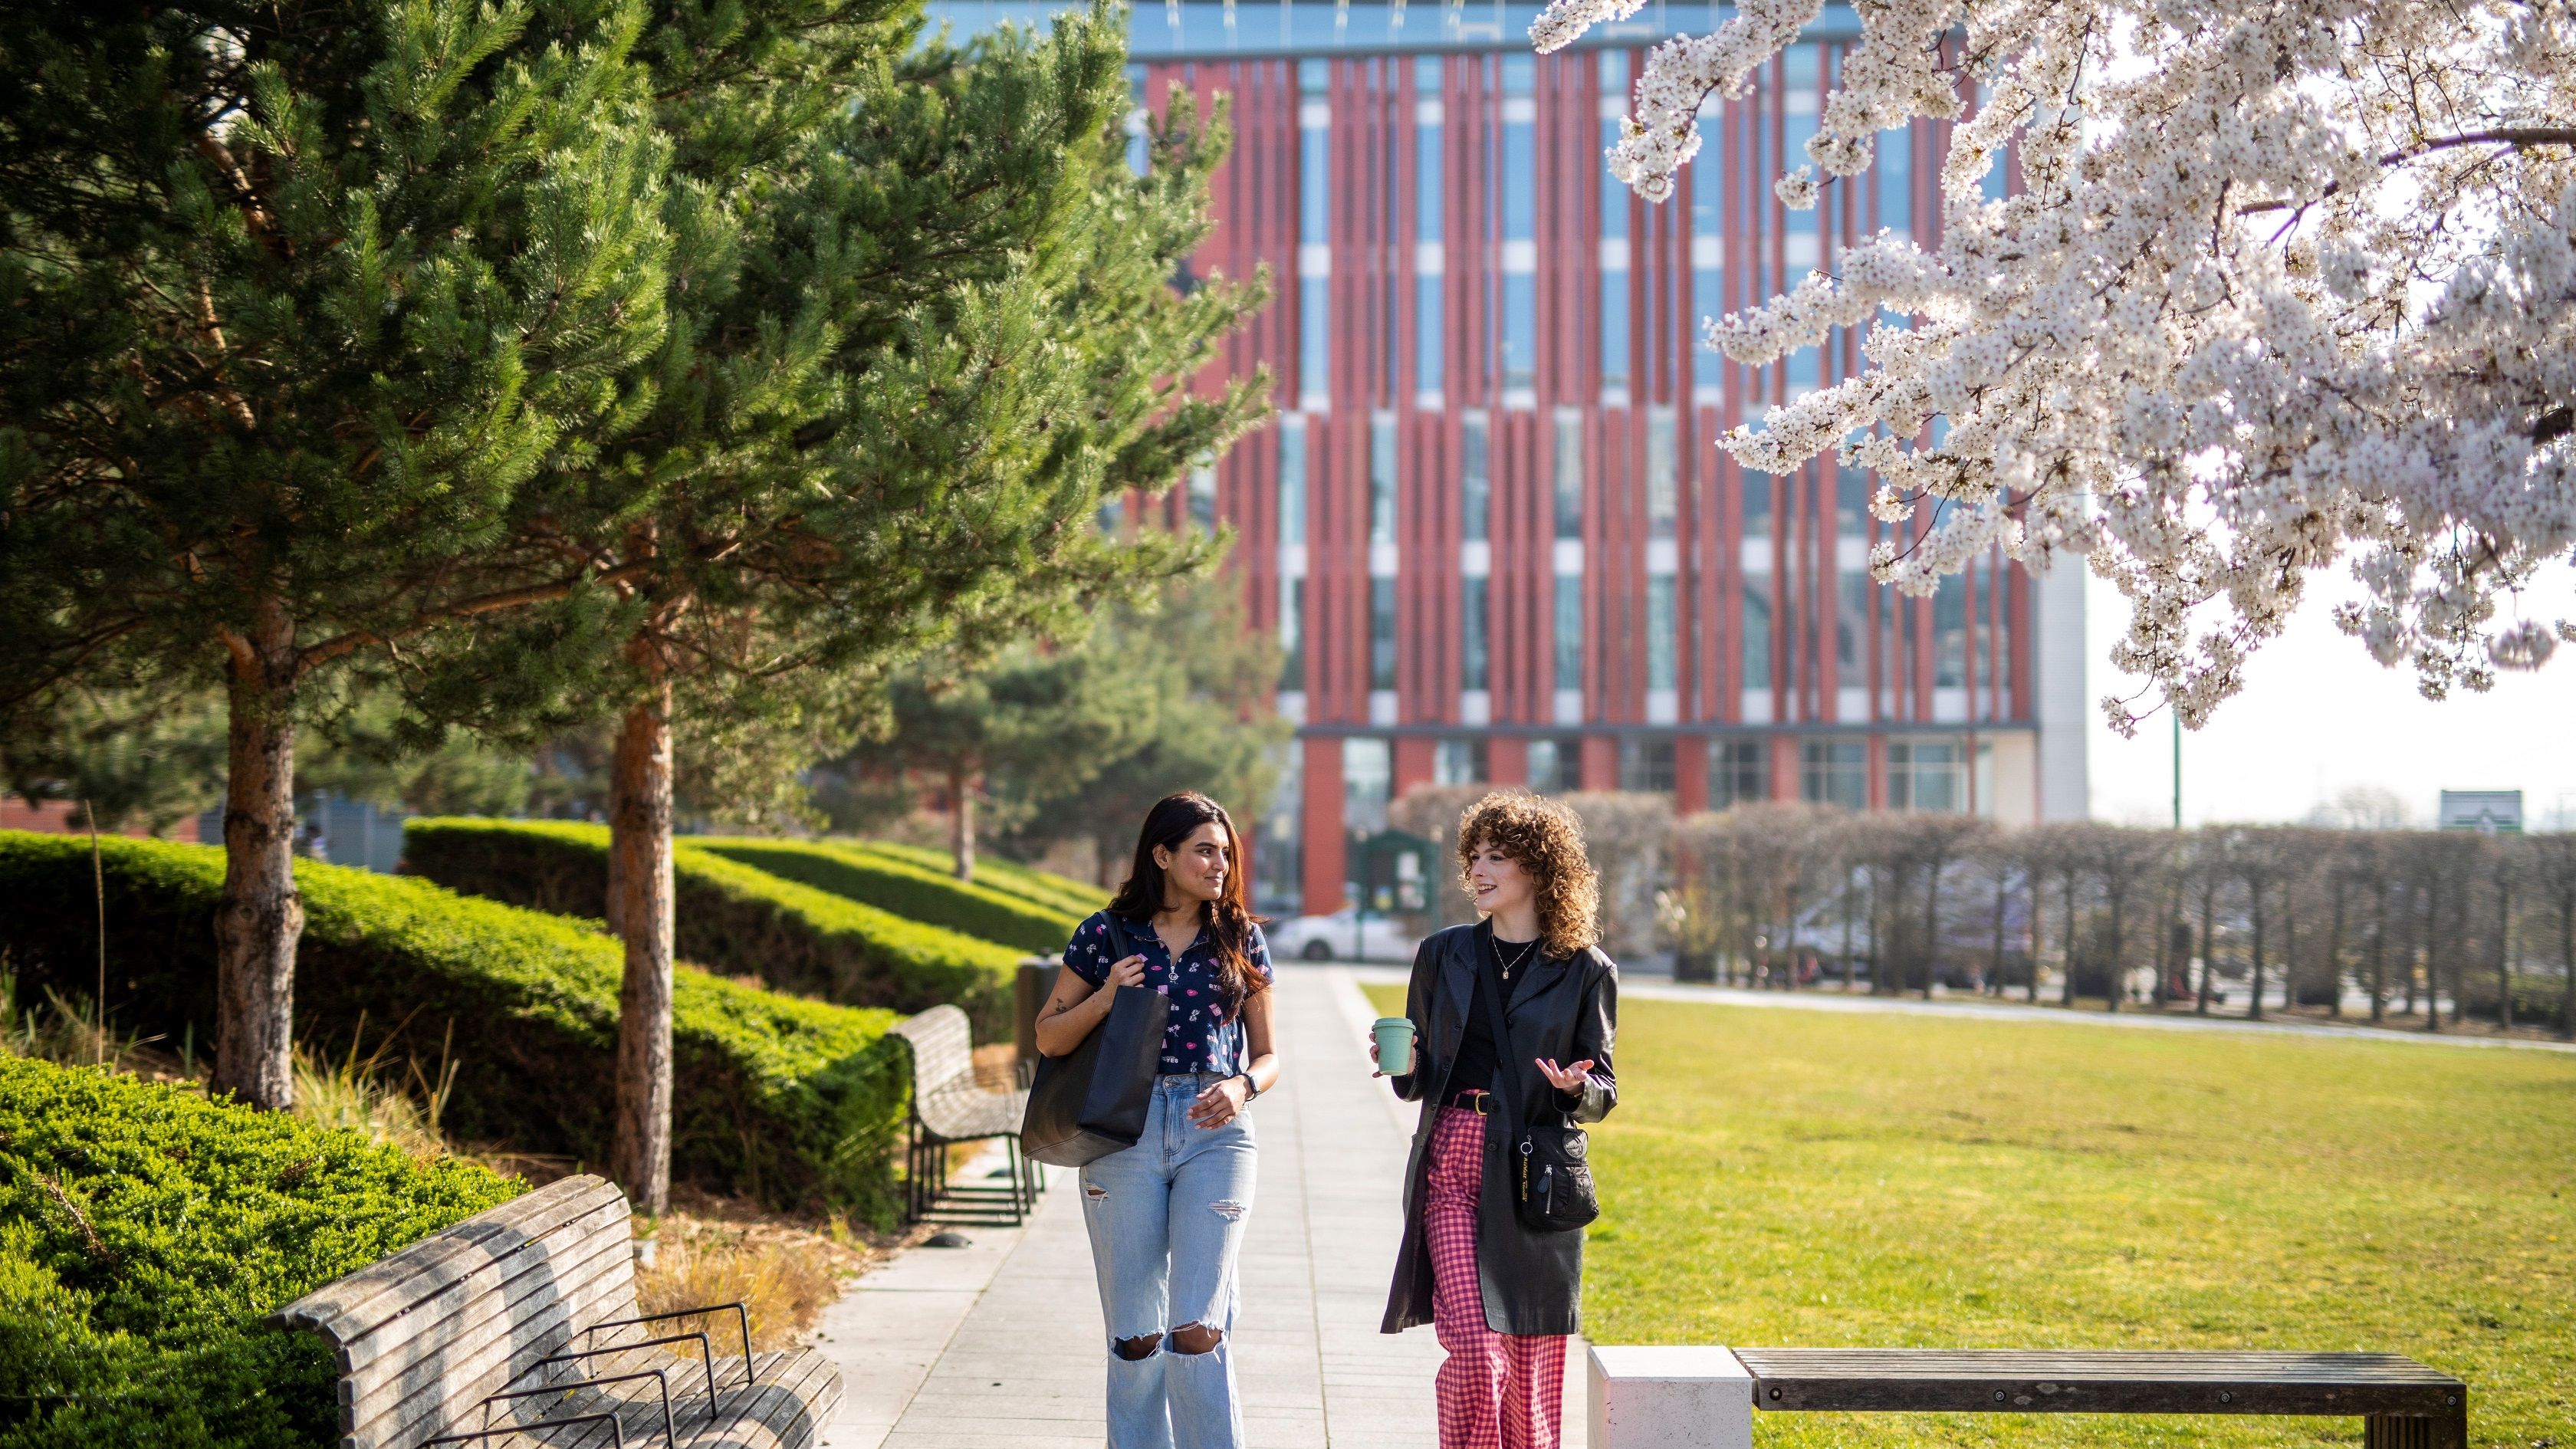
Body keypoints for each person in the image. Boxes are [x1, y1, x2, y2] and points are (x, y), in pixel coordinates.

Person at [1034, 791, 1280, 1449]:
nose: (1220, 864)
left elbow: (1269, 1056)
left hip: (1216, 1135)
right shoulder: (1105, 934)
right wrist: (1107, 997)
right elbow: (1049, 1037)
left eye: (1225, 852)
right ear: (1162, 856)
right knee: (1136, 1336)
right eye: (1204, 850)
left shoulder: (1241, 937)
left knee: (1198, 1328)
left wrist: (1243, 1086)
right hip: (1124, 1132)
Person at [1376, 790, 1618, 1449]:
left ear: (1539, 869)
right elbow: (1418, 1076)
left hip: (1533, 1173)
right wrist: (1403, 1066)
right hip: (1451, 1159)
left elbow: (1604, 1088)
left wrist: (1576, 1088)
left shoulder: (1587, 971)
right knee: (1478, 1355)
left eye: (1498, 858)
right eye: (1475, 857)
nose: (1479, 870)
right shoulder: (1443, 954)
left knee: (1529, 1368)